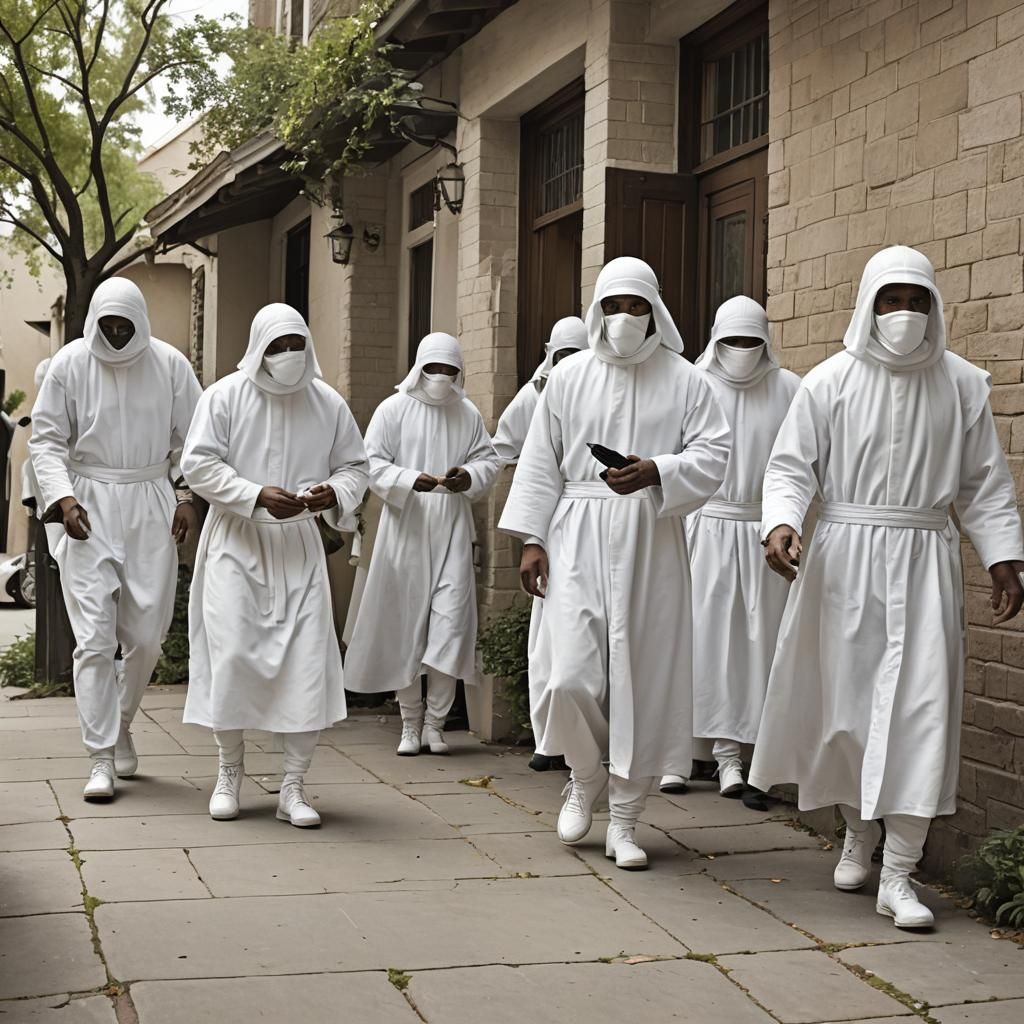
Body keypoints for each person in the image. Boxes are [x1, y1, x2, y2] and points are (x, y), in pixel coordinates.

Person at [751, 245, 1024, 928]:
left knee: (921, 711)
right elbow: (790, 466)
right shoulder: (830, 381)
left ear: (935, 307)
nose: (903, 315)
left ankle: (900, 872)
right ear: (868, 305)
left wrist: (1002, 555)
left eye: (916, 301)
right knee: (847, 711)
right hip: (845, 557)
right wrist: (781, 523)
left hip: (924, 554)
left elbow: (984, 484)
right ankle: (857, 831)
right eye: (891, 301)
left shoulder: (962, 383)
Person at [499, 257, 731, 870]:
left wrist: (660, 469)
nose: (625, 318)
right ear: (595, 310)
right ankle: (583, 773)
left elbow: (714, 453)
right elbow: (540, 460)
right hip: (575, 528)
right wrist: (531, 538)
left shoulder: (686, 379)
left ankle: (627, 819)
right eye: (613, 306)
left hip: (650, 533)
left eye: (636, 307)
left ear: (655, 310)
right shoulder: (569, 377)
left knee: (642, 674)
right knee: (568, 673)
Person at [180, 304, 367, 827]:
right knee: (232, 652)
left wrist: (334, 492)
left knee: (306, 660)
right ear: (258, 347)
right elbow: (197, 462)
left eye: (296, 345)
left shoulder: (327, 402)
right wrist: (253, 493)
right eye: (277, 346)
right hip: (236, 541)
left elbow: (356, 465)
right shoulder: (224, 396)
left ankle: (293, 785)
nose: (287, 356)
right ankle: (228, 770)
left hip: (297, 545)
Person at [29, 278, 201, 801]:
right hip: (87, 502)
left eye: (126, 324)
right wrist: (62, 501)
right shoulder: (69, 363)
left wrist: (186, 494)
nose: (118, 333)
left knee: (147, 635)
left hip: (150, 497)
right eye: (108, 324)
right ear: (94, 322)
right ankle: (100, 755)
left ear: (142, 321)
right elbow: (45, 440)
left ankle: (121, 721)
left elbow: (194, 441)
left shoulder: (171, 365)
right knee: (94, 638)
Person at [659, 297, 799, 804]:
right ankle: (682, 753)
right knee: (701, 641)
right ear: (716, 340)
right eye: (732, 341)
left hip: (764, 532)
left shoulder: (790, 390)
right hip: (707, 526)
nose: (741, 351)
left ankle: (744, 757)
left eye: (751, 341)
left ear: (766, 342)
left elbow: (803, 465)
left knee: (758, 645)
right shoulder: (694, 386)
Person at [344, 333, 500, 756]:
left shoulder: (466, 413)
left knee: (450, 624)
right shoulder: (393, 409)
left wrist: (466, 477)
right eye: (434, 369)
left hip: (450, 522)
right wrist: (411, 478)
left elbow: (488, 461)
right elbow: (369, 462)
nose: (441, 378)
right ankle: (409, 723)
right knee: (405, 623)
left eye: (450, 371)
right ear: (419, 368)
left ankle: (437, 723)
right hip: (405, 525)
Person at [493, 315, 586, 773]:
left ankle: (584, 743)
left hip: (588, 521)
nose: (569, 363)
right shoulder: (534, 395)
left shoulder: (595, 389)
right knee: (547, 637)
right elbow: (506, 448)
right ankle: (547, 736)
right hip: (550, 523)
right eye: (562, 354)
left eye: (576, 353)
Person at [492, 317, 587, 464]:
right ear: (551, 355)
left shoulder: (593, 394)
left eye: (574, 357)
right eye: (562, 357)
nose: (567, 365)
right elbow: (502, 450)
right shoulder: (533, 395)